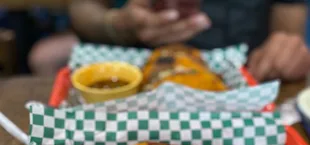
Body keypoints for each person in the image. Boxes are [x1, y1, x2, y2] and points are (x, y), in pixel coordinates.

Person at [69, 0, 310, 82]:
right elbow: (82, 8)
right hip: (135, 77)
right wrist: (118, 25)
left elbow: (289, 32)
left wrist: (288, 50)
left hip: (244, 83)